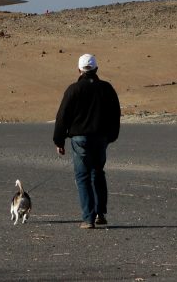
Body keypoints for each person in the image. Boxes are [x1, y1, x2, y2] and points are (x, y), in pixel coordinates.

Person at [53, 53, 121, 229]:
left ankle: (88, 219)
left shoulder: (73, 90)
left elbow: (62, 117)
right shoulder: (106, 88)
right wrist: (112, 136)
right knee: (97, 173)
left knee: (83, 176)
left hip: (80, 139)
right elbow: (115, 114)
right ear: (96, 68)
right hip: (101, 138)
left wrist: (59, 141)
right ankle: (100, 213)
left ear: (79, 70)